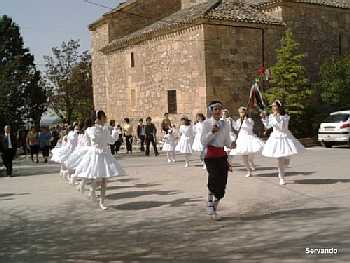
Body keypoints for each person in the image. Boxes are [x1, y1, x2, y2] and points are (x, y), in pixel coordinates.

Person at [71, 111, 126, 210]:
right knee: (94, 177)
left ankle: (101, 202)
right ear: (99, 118)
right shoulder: (89, 130)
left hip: (104, 155)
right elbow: (86, 144)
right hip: (94, 155)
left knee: (104, 180)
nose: (106, 118)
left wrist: (115, 132)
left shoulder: (105, 129)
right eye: (104, 116)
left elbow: (111, 141)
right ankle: (90, 190)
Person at [201, 101, 234, 220]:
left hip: (221, 155)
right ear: (211, 110)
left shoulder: (225, 124)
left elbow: (226, 141)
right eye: (215, 109)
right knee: (213, 178)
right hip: (210, 155)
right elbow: (203, 141)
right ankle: (210, 202)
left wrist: (231, 144)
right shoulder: (206, 123)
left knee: (222, 184)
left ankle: (215, 205)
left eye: (220, 109)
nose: (218, 111)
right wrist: (212, 132)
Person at [261, 100, 305, 185]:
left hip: (285, 137)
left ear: (279, 107)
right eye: (272, 106)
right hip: (276, 138)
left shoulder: (285, 116)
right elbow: (267, 126)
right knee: (280, 159)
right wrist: (264, 118)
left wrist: (277, 117)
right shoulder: (271, 116)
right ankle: (281, 177)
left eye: (275, 106)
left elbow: (282, 127)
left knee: (287, 162)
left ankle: (281, 171)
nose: (273, 108)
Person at [230, 107, 264, 177]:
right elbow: (236, 129)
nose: (241, 113)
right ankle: (249, 171)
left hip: (249, 138)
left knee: (251, 155)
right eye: (240, 112)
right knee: (244, 157)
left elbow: (250, 127)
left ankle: (251, 162)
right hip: (241, 139)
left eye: (243, 112)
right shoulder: (238, 121)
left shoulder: (249, 120)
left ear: (245, 113)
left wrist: (245, 120)